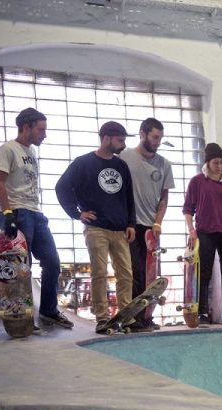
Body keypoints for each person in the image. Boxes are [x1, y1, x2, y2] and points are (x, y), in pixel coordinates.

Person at [0, 107, 73, 331]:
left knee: (52, 262)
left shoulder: (31, 152)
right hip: (17, 213)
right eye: (41, 129)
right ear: (26, 127)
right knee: (19, 268)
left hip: (36, 213)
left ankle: (48, 311)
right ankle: (21, 317)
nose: (44, 135)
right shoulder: (7, 149)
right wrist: (7, 213)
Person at [55, 121, 136, 332]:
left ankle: (124, 317)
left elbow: (128, 196)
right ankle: (102, 317)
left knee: (126, 274)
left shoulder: (121, 166)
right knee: (99, 273)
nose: (123, 144)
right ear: (106, 138)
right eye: (120, 140)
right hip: (96, 228)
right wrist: (76, 213)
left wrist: (131, 223)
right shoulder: (83, 163)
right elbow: (62, 187)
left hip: (120, 229)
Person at [121, 118, 174, 330]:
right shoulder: (124, 158)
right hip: (131, 225)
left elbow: (164, 197)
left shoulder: (164, 164)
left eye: (160, 138)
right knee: (133, 273)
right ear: (142, 134)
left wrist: (158, 223)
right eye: (154, 137)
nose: (158, 142)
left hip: (152, 230)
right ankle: (131, 318)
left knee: (150, 276)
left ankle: (146, 317)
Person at [182, 143, 222, 325]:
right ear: (208, 162)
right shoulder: (197, 181)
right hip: (205, 232)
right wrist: (191, 230)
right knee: (204, 273)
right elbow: (187, 209)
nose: (219, 166)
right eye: (215, 162)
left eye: (221, 162)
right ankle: (201, 312)